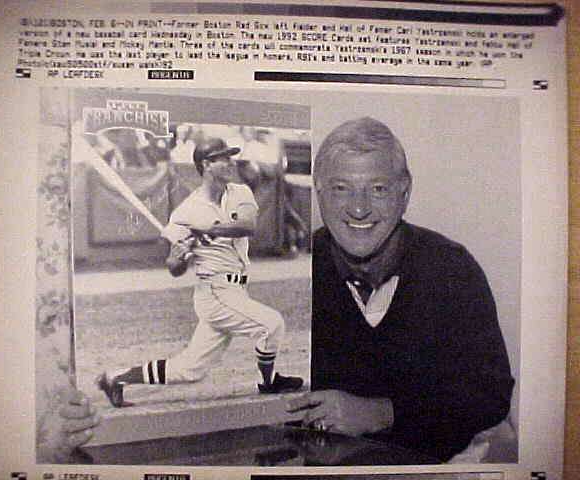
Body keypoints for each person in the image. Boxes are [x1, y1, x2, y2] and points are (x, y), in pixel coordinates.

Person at [287, 116, 515, 462]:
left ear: (404, 192)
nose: (358, 208)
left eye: (378, 189)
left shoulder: (452, 268)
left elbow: (491, 396)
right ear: (317, 189)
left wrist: (383, 413)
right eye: (341, 188)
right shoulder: (295, 273)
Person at [97, 137, 303, 407]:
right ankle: (269, 382)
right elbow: (174, 269)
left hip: (236, 290)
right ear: (206, 164)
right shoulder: (185, 213)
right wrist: (179, 257)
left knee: (190, 369)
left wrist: (208, 229)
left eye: (230, 157)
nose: (231, 162)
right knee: (271, 324)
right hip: (214, 293)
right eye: (223, 158)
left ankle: (115, 378)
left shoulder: (240, 193)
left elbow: (248, 225)